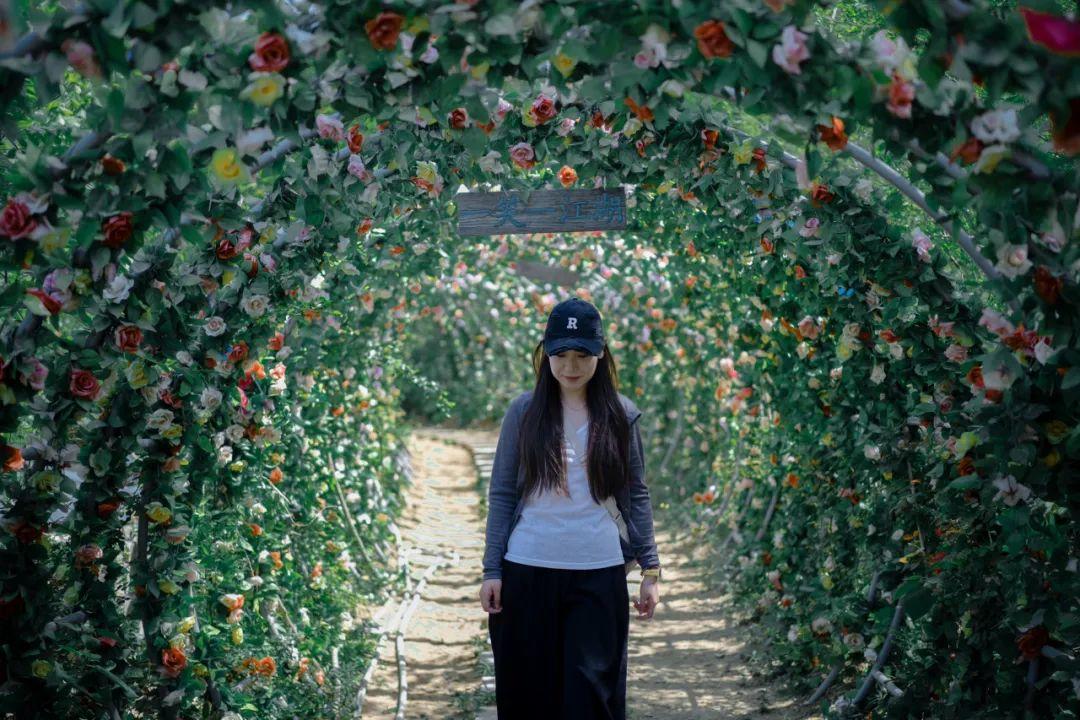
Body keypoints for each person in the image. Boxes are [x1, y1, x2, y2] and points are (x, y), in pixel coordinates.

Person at [478, 296, 662, 720]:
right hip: (526, 570)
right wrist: (492, 570)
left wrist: (650, 570)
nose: (571, 366)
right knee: (527, 702)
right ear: (546, 354)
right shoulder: (524, 412)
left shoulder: (621, 415)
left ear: (601, 355)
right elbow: (502, 492)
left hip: (598, 575)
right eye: (561, 354)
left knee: (590, 700)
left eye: (582, 355)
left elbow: (636, 494)